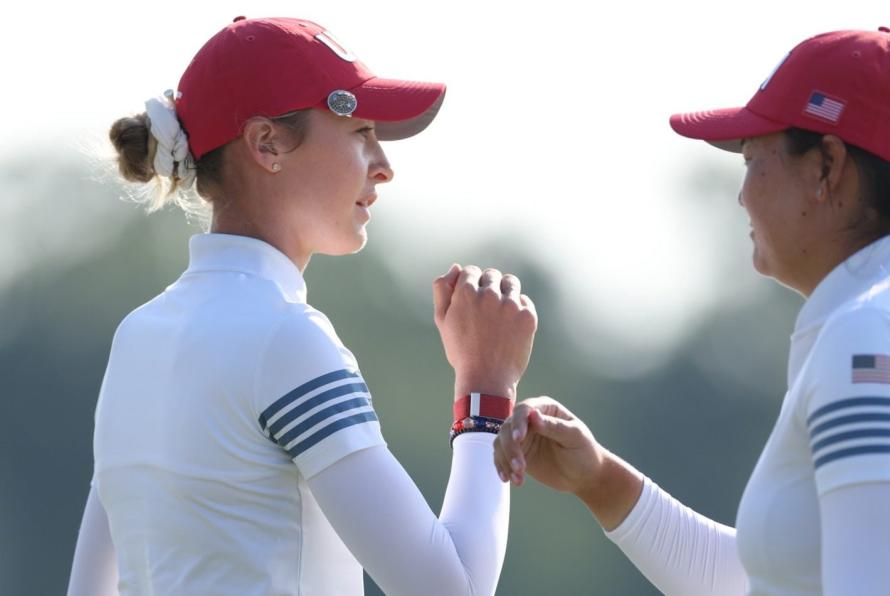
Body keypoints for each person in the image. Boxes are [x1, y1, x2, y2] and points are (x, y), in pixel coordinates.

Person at [66, 16, 538, 596]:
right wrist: (485, 388)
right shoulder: (288, 339)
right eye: (360, 130)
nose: (384, 165)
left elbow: (89, 586)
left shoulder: (136, 336)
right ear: (267, 144)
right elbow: (451, 589)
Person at [494, 28, 890, 595]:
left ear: (826, 167)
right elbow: (769, 581)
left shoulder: (874, 341)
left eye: (751, 158)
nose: (742, 194)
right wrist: (599, 481)